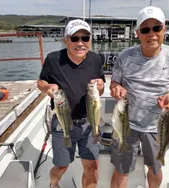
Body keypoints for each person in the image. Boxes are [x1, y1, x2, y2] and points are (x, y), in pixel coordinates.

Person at [109, 6, 169, 188]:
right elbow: (114, 82)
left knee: (155, 168)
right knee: (121, 169)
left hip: (157, 125)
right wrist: (116, 88)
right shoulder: (125, 56)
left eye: (157, 28)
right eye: (145, 29)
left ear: (164, 29)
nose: (152, 34)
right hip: (127, 123)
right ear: (137, 33)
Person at [37, 19, 105, 188]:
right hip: (62, 122)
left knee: (92, 166)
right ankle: (53, 184)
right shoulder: (53, 59)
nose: (80, 43)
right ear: (66, 40)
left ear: (90, 40)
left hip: (89, 123)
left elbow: (100, 90)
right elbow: (40, 82)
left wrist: (101, 87)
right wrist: (48, 87)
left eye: (85, 38)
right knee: (61, 166)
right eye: (75, 39)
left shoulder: (96, 59)